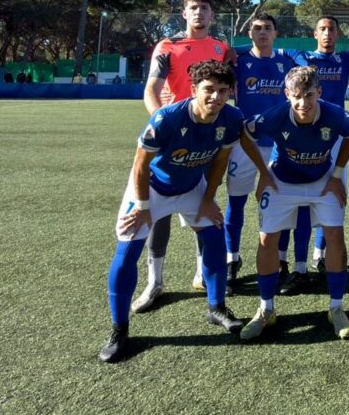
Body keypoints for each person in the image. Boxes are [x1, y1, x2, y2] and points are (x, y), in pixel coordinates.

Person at [98, 61, 244, 363]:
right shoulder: (166, 118)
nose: (215, 97)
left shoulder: (231, 118)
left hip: (192, 187)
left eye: (222, 91)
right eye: (208, 90)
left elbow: (220, 162)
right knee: (127, 251)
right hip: (150, 188)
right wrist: (142, 207)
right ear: (193, 90)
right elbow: (140, 165)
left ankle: (216, 308)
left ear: (230, 92)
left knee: (215, 235)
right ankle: (120, 329)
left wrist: (208, 198)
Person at [237, 66, 349, 340]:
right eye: (297, 97)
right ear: (287, 95)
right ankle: (266, 309)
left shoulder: (335, 115)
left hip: (321, 180)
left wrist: (337, 174)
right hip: (282, 182)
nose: (303, 103)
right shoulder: (276, 116)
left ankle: (336, 308)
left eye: (310, 96)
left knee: (335, 238)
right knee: (267, 240)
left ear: (320, 93)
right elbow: (246, 134)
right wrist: (263, 174)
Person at [132, 0, 231, 313]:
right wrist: (160, 123)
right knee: (157, 211)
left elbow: (227, 87)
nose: (199, 13)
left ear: (212, 15)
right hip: (170, 137)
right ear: (184, 14)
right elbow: (151, 88)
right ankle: (155, 281)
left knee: (203, 204)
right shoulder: (167, 46)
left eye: (205, 8)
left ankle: (203, 271)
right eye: (193, 8)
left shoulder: (220, 48)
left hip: (205, 140)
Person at [275, 15, 349, 290]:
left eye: (332, 29)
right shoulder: (301, 56)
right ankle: (287, 263)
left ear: (338, 33)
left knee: (330, 197)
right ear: (315, 33)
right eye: (322, 29)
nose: (327, 33)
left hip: (335, 135)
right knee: (296, 202)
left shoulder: (347, 60)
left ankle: (321, 257)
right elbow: (271, 48)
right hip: (302, 133)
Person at [223, 13, 294, 295]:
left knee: (282, 203)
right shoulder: (236, 60)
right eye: (257, 28)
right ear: (249, 33)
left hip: (280, 144)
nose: (262, 32)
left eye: (267, 28)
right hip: (244, 143)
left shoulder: (287, 62)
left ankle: (281, 261)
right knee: (236, 202)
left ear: (276, 33)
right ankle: (232, 259)